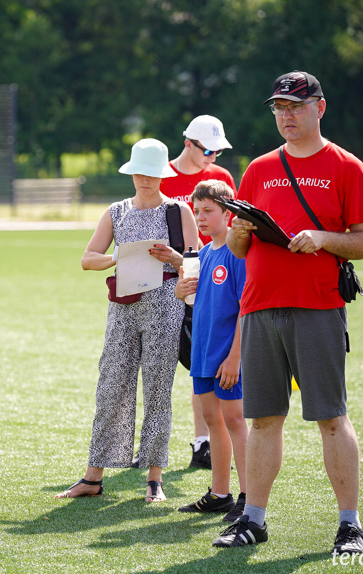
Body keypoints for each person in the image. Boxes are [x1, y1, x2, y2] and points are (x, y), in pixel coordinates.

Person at [212, 71, 363, 555]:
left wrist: (323, 238)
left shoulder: (348, 167)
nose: (286, 116)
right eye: (279, 108)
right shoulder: (260, 169)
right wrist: (240, 231)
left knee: (331, 417)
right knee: (263, 419)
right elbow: (240, 251)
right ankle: (254, 519)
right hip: (261, 306)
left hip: (318, 307)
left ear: (319, 108)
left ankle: (350, 525)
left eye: (296, 107)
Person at [55, 138, 198, 503]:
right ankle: (94, 475)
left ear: (162, 174)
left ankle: (154, 479)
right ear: (132, 172)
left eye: (152, 173)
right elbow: (88, 258)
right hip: (122, 305)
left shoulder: (179, 212)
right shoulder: (116, 211)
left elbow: (197, 263)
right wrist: (118, 256)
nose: (145, 179)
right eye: (140, 172)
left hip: (166, 303)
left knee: (157, 389)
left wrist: (174, 257)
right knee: (111, 386)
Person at [162, 115, 236, 470]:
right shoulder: (162, 174)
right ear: (188, 143)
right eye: (207, 150)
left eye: (218, 151)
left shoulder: (221, 179)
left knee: (203, 364)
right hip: (166, 282)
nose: (213, 157)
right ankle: (149, 449)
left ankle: (203, 443)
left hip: (214, 281)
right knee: (160, 368)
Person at [174, 180, 248, 523]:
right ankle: (220, 493)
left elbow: (246, 309)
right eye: (197, 210)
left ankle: (249, 497)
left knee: (234, 420)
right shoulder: (202, 256)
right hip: (202, 355)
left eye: (208, 211)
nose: (200, 217)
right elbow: (193, 302)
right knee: (212, 420)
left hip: (227, 358)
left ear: (227, 212)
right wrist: (180, 290)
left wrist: (235, 357)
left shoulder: (237, 254)